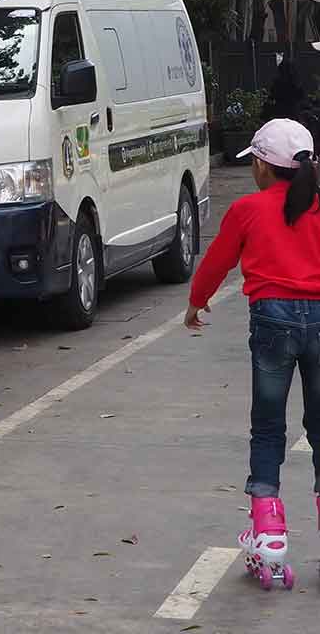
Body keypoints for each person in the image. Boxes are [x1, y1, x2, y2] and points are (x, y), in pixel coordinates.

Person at [186, 118, 320, 590]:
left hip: (271, 321)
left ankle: (270, 534)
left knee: (268, 428)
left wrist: (196, 302)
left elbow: (217, 260)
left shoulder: (247, 209)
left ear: (263, 166)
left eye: (254, 162)